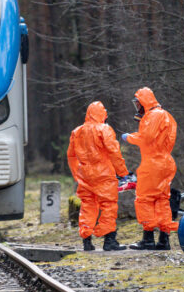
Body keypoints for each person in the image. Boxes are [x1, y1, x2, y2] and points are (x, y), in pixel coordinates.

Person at [67, 101, 129, 252]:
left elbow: (71, 155)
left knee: (88, 206)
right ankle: (109, 241)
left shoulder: (77, 131)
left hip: (85, 175)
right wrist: (122, 172)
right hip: (103, 174)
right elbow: (114, 152)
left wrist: (77, 174)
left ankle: (87, 241)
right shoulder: (104, 129)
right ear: (102, 113)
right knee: (108, 206)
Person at [121, 87, 178, 250]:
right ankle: (164, 240)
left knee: (144, 199)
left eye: (138, 104)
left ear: (144, 102)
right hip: (166, 162)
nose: (137, 108)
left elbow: (146, 138)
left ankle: (148, 239)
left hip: (153, 163)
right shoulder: (166, 115)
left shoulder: (153, 116)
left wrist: (129, 137)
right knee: (162, 200)